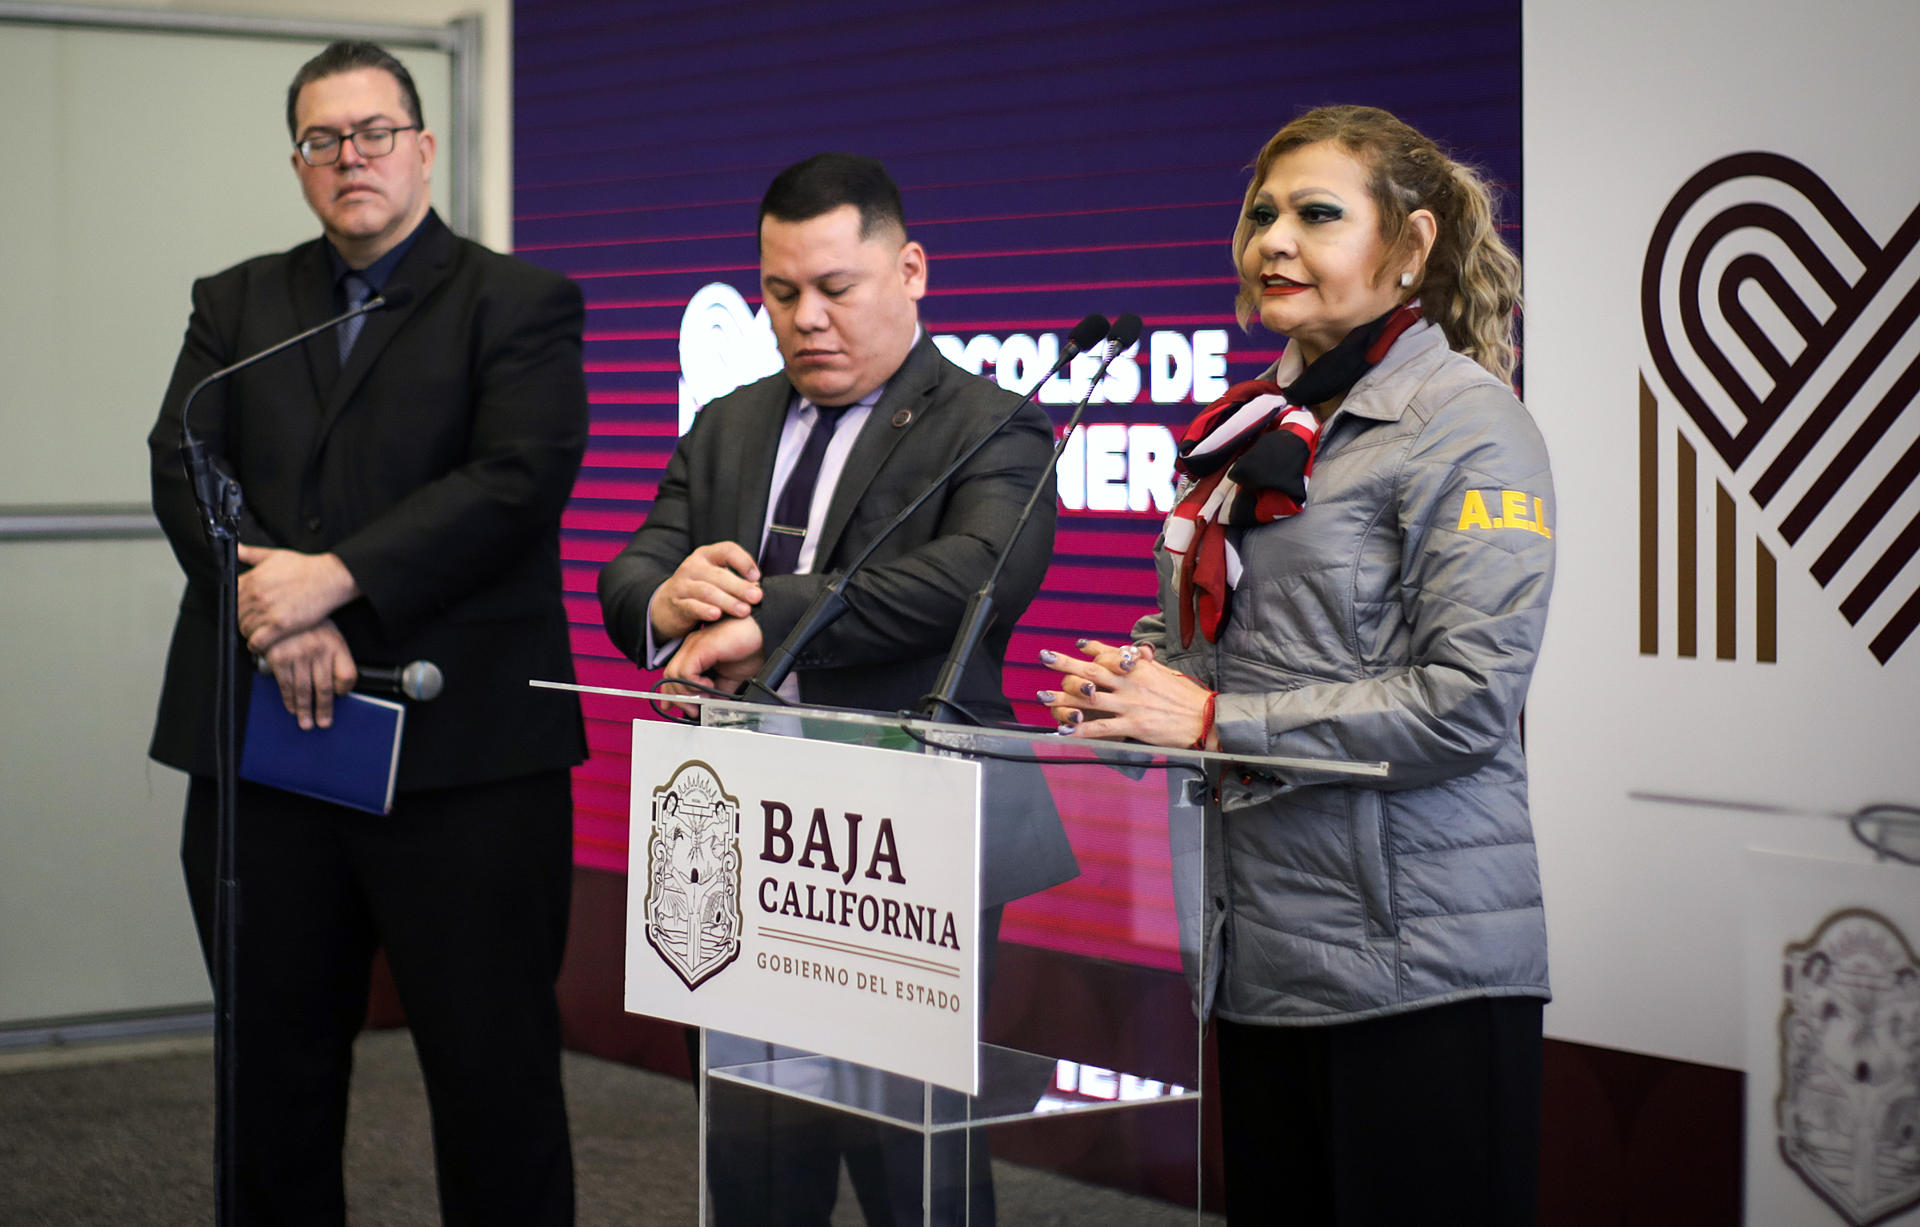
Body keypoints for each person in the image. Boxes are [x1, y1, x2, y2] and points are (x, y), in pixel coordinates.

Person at [1042, 105, 1553, 1226]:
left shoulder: (1467, 425)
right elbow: (1205, 656)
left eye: (1317, 215)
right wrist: (1129, 691)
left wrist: (1213, 718)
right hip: (1262, 957)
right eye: (1261, 212)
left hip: (1418, 973)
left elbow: (1467, 706)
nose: (1273, 238)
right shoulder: (1252, 431)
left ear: (1408, 248)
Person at [146, 40, 587, 1226]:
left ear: (423, 147)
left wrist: (335, 582)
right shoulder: (238, 301)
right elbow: (186, 461)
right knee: (271, 1075)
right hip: (266, 747)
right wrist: (273, 610)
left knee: (491, 1078)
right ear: (299, 164)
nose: (352, 159)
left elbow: (515, 481)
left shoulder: (520, 303)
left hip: (466, 764)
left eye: (375, 132)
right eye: (323, 140)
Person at [597, 152, 1077, 1225]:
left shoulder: (992, 424)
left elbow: (970, 583)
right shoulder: (731, 420)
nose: (804, 318)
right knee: (755, 1153)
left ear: (909, 270)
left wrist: (767, 617)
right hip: (727, 826)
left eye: (834, 288)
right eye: (779, 292)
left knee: (911, 1166)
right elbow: (630, 571)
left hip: (905, 834)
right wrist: (665, 601)